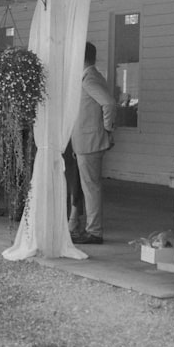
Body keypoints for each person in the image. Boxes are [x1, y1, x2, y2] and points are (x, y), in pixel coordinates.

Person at [70, 41, 117, 245]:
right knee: (89, 186)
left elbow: (108, 103)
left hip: (90, 140)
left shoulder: (88, 78)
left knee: (91, 187)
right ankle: (91, 228)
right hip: (84, 140)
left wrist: (107, 128)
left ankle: (94, 231)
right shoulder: (90, 75)